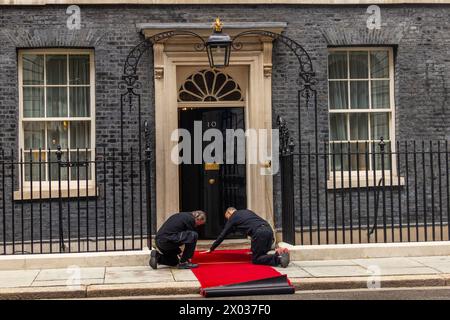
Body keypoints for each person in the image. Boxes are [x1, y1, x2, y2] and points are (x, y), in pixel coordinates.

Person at [202, 207, 290, 267]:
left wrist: (212, 248)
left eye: (227, 217)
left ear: (229, 212)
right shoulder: (247, 212)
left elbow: (222, 235)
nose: (228, 220)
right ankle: (280, 254)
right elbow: (252, 228)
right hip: (268, 230)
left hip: (259, 233)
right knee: (261, 254)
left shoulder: (233, 217)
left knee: (256, 259)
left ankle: (279, 257)